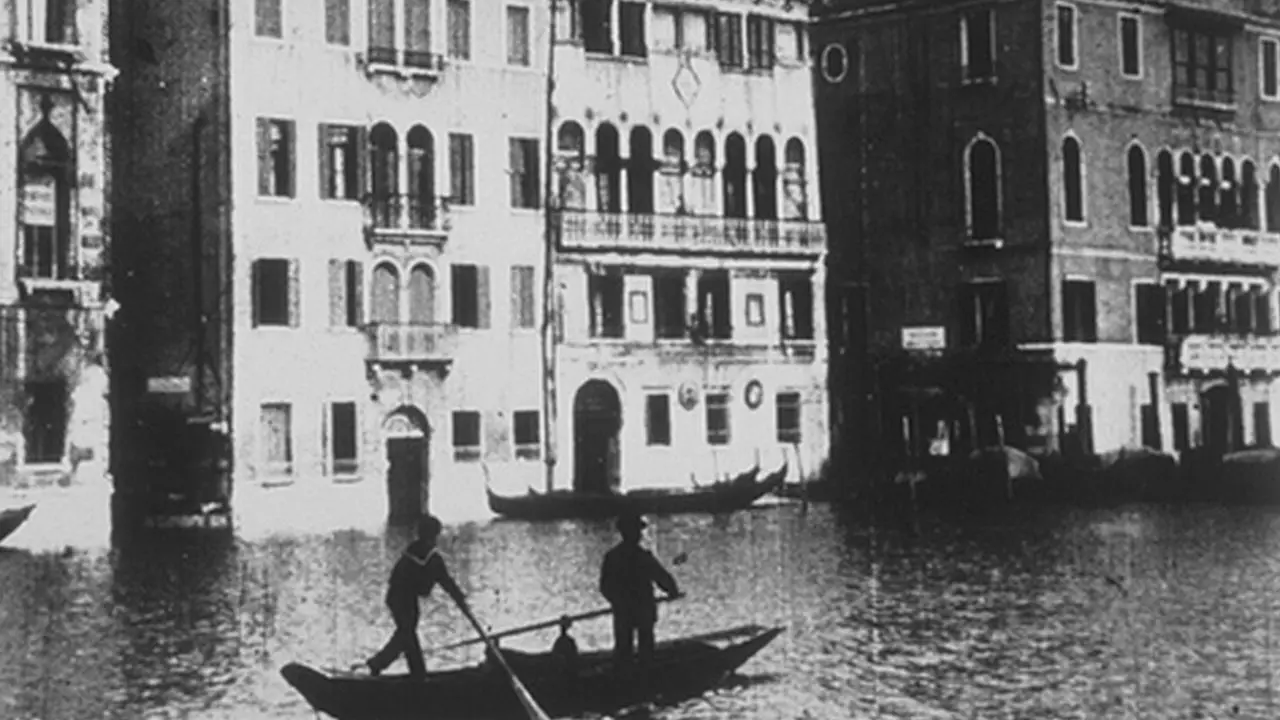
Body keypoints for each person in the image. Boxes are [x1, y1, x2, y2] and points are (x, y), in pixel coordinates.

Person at [366, 514, 470, 679]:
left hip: (397, 597)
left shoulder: (415, 549)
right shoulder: (431, 556)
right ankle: (385, 665)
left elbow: (440, 579)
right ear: (433, 535)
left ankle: (416, 673)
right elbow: (445, 580)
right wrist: (460, 598)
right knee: (406, 634)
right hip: (403, 599)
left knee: (407, 634)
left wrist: (458, 597)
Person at [598, 511, 681, 674]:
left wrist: (617, 601)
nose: (639, 535)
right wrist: (672, 590)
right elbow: (662, 577)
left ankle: (627, 674)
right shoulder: (641, 557)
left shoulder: (613, 557)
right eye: (636, 531)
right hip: (639, 610)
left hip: (627, 611)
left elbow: (605, 587)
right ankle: (642, 674)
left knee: (625, 648)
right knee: (642, 648)